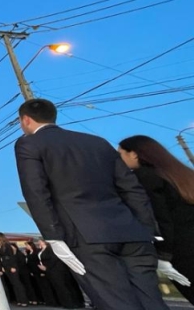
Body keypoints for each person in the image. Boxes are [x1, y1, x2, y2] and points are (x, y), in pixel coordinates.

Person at [14, 98, 168, 310]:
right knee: (152, 302)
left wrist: (54, 237)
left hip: (86, 236)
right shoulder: (97, 142)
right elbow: (131, 188)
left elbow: (36, 192)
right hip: (132, 233)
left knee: (115, 302)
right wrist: (148, 230)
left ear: (26, 119)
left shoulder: (28, 143)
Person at [118, 135, 194, 303]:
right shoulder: (181, 174)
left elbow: (160, 218)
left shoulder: (143, 177)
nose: (118, 159)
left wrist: (163, 255)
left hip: (180, 248)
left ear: (134, 154)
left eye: (120, 154)